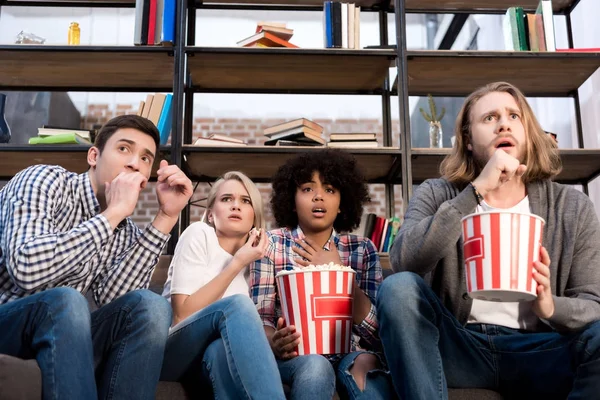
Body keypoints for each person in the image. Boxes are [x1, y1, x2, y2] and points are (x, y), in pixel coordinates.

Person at [377, 81, 600, 399]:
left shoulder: (571, 207)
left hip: (540, 349)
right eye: (489, 118)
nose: (504, 124)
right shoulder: (438, 193)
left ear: (526, 131)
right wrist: (476, 190)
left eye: (513, 116)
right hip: (460, 346)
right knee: (397, 289)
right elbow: (404, 261)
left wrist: (550, 307)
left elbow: (594, 305)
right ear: (467, 140)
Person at [0, 114, 193, 399]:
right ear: (94, 155)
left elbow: (113, 304)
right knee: (66, 299)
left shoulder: (125, 230)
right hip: (10, 321)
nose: (133, 163)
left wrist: (166, 216)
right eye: (124, 149)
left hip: (66, 334)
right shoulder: (43, 181)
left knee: (152, 306)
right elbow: (27, 268)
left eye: (145, 158)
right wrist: (111, 214)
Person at [251, 149, 395, 400]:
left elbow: (379, 336)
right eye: (307, 189)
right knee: (316, 367)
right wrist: (275, 342)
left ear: (342, 204)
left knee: (366, 367)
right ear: (292, 201)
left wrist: (339, 272)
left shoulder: (362, 249)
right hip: (297, 357)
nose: (319, 196)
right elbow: (261, 318)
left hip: (352, 352)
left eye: (330, 190)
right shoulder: (272, 244)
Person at [160, 171, 286, 399]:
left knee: (219, 350)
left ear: (254, 218)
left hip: (213, 358)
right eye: (226, 199)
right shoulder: (199, 234)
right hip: (174, 351)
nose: (235, 206)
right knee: (236, 305)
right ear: (210, 215)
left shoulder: (260, 265)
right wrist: (237, 262)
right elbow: (182, 314)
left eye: (245, 201)